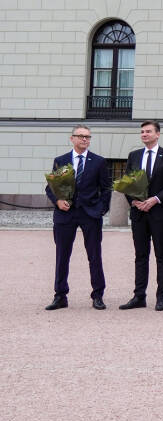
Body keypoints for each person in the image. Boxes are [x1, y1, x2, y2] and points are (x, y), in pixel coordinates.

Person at [44, 124, 113, 310]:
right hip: (65, 214)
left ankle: (98, 295)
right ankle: (60, 296)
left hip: (90, 214)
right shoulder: (61, 160)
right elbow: (50, 187)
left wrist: (101, 210)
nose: (85, 139)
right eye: (81, 136)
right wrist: (58, 201)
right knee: (62, 256)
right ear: (72, 138)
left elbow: (106, 188)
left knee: (94, 256)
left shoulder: (98, 161)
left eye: (88, 137)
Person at [120, 119, 163, 311]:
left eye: (148, 131)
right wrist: (134, 200)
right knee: (141, 255)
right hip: (139, 213)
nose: (144, 135)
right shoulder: (134, 156)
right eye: (142, 132)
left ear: (157, 134)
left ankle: (161, 297)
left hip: (160, 213)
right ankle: (139, 296)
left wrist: (155, 199)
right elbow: (127, 182)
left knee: (161, 255)